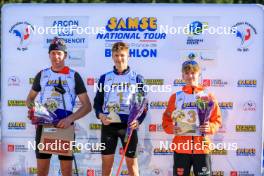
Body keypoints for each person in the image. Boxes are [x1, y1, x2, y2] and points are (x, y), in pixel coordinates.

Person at [26, 37, 92, 176]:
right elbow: (30, 99)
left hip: (65, 126)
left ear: (65, 55)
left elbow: (87, 106)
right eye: (53, 53)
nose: (56, 56)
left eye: (59, 53)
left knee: (66, 172)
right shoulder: (42, 74)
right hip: (45, 126)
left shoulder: (74, 76)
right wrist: (35, 110)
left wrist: (70, 119)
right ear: (49, 54)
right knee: (42, 172)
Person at [93, 42, 147, 176]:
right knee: (106, 165)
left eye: (122, 55)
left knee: (132, 165)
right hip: (109, 125)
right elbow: (97, 102)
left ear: (128, 56)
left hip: (128, 126)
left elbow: (144, 105)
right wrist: (101, 116)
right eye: (116, 55)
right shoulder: (105, 78)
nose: (119, 59)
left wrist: (138, 121)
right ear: (112, 56)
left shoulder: (137, 78)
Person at [162, 60, 222, 176]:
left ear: (198, 74)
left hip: (202, 148)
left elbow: (217, 120)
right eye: (187, 73)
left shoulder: (208, 97)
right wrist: (171, 128)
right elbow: (166, 119)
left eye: (193, 73)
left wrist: (210, 127)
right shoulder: (175, 97)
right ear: (182, 76)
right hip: (181, 148)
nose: (190, 76)